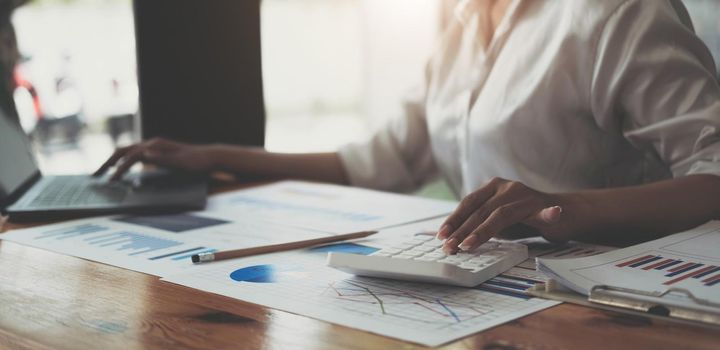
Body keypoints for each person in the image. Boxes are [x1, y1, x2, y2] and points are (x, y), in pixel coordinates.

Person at [96, 0, 720, 254]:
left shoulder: (617, 13)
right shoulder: (457, 23)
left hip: (608, 312)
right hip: (493, 299)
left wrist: (566, 208)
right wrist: (214, 156)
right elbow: (374, 162)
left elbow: (714, 173)